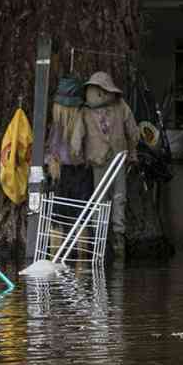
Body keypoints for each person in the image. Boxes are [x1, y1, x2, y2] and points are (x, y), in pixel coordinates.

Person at [80, 71, 139, 257]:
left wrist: (132, 151)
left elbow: (133, 132)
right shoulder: (85, 111)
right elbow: (77, 136)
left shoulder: (120, 107)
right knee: (104, 197)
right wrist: (77, 154)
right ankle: (103, 236)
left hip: (117, 158)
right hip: (99, 160)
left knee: (116, 196)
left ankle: (115, 234)